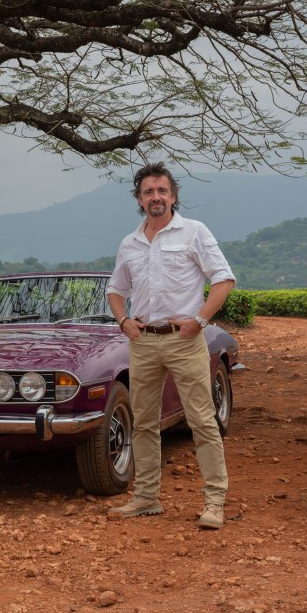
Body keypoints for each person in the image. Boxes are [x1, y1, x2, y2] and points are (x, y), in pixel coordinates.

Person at [105, 162, 235, 530]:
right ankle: (146, 497)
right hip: (143, 343)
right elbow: (116, 289)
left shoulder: (194, 232)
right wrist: (123, 320)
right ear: (139, 199)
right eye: (149, 192)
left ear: (174, 196)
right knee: (144, 422)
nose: (156, 197)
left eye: (162, 191)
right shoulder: (129, 243)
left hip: (184, 340)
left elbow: (224, 279)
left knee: (201, 421)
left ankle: (214, 501)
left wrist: (201, 320)